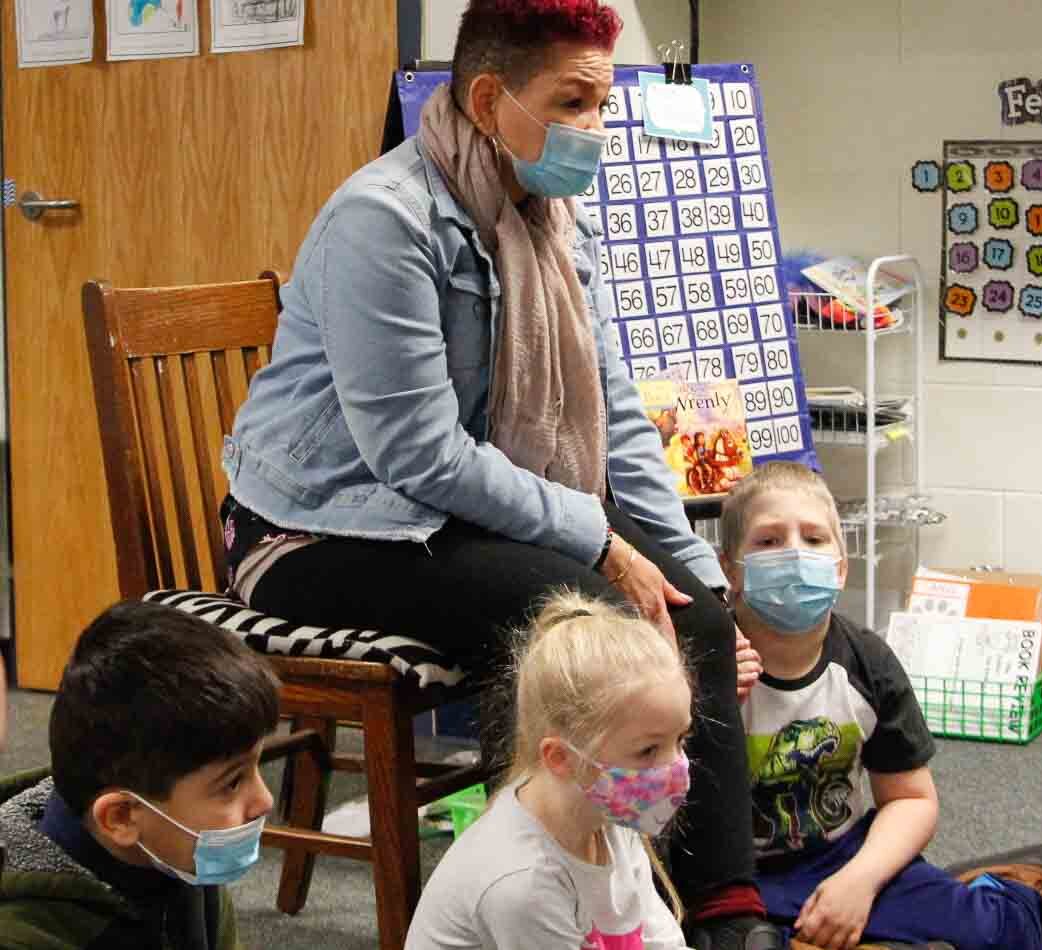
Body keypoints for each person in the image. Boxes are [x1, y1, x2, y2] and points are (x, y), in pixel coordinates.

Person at [217, 2, 774, 945]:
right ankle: (535, 887)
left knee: (696, 616)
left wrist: (696, 570)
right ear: (488, 98)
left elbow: (619, 420)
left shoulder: (549, 217)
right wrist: (597, 539)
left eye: (602, 105)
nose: (595, 129)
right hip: (316, 530)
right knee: (568, 610)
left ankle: (723, 912)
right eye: (575, 102)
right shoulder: (381, 220)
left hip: (456, 517)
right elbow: (417, 454)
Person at [718, 462, 1042, 950]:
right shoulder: (706, 660)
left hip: (843, 856)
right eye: (768, 541)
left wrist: (859, 883)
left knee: (1001, 933)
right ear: (729, 567)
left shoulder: (866, 661)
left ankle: (1015, 882)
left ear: (841, 566)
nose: (793, 554)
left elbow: (911, 799)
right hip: (736, 877)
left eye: (813, 539)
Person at [408, 592, 700, 949]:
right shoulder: (523, 881)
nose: (675, 768)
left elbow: (663, 943)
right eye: (648, 750)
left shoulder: (606, 815)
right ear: (561, 758)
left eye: (681, 739)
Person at [0, 601, 278, 949]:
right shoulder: (23, 936)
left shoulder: (174, 856)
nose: (265, 801)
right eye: (233, 782)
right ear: (121, 816)